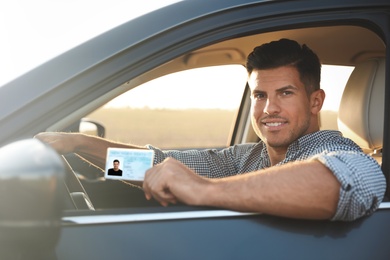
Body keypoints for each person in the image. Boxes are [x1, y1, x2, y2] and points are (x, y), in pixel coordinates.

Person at [35, 38, 386, 221]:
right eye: (260, 95)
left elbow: (357, 180)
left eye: (286, 94)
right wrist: (78, 144)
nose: (268, 109)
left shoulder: (332, 152)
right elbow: (153, 165)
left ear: (315, 101)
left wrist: (203, 190)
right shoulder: (246, 158)